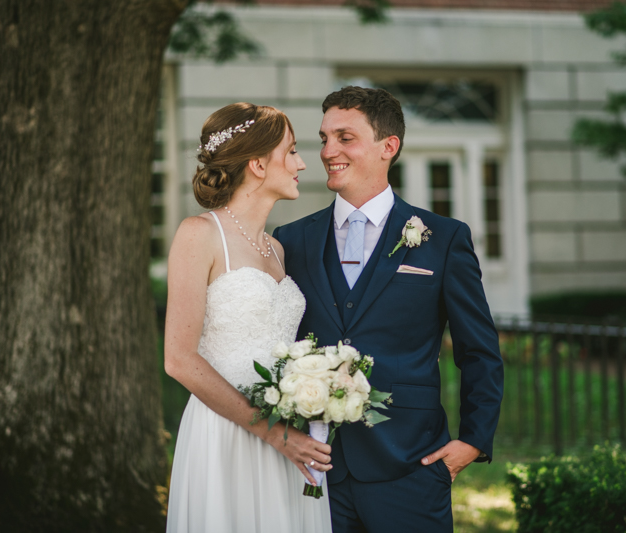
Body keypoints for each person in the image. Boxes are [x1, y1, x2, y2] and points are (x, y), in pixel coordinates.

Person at [273, 86, 504, 532]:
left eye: (345, 138)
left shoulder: (443, 238)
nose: (327, 151)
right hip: (316, 468)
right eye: (323, 139)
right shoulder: (292, 239)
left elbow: (479, 351)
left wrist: (473, 442)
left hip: (411, 464)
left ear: (388, 147)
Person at [164, 102, 333, 533]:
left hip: (289, 437)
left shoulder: (275, 249)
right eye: (291, 151)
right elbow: (179, 360)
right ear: (258, 164)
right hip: (226, 436)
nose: (301, 163)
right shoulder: (199, 234)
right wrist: (275, 434)